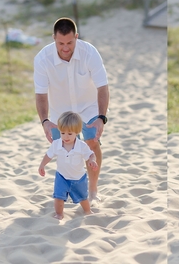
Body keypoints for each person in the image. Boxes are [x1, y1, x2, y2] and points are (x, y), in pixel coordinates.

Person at [33, 17, 109, 204]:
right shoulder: (42, 59)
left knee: (91, 141)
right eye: (60, 43)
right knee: (65, 149)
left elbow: (103, 88)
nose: (65, 48)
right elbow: (41, 94)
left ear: (76, 37)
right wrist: (44, 121)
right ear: (54, 39)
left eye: (69, 42)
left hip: (88, 106)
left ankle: (92, 189)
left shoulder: (89, 53)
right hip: (61, 111)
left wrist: (101, 117)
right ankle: (68, 191)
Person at [38, 111, 98, 219]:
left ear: (77, 132)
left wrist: (92, 161)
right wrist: (42, 165)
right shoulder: (56, 144)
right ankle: (59, 214)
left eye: (70, 134)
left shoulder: (81, 146)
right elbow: (48, 155)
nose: (66, 136)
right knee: (58, 197)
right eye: (62, 133)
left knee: (83, 198)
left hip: (78, 178)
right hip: (62, 176)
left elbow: (91, 154)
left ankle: (88, 211)